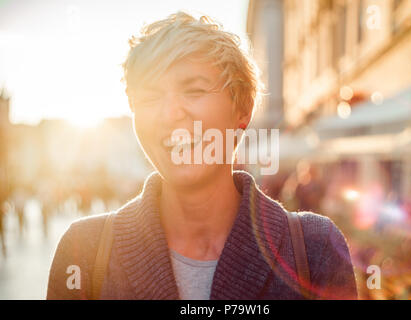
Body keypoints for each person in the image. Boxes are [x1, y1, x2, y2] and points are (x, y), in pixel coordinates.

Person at [46, 12, 357, 300]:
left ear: (242, 109)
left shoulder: (315, 248)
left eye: (194, 91)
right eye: (150, 97)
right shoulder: (83, 253)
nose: (170, 114)